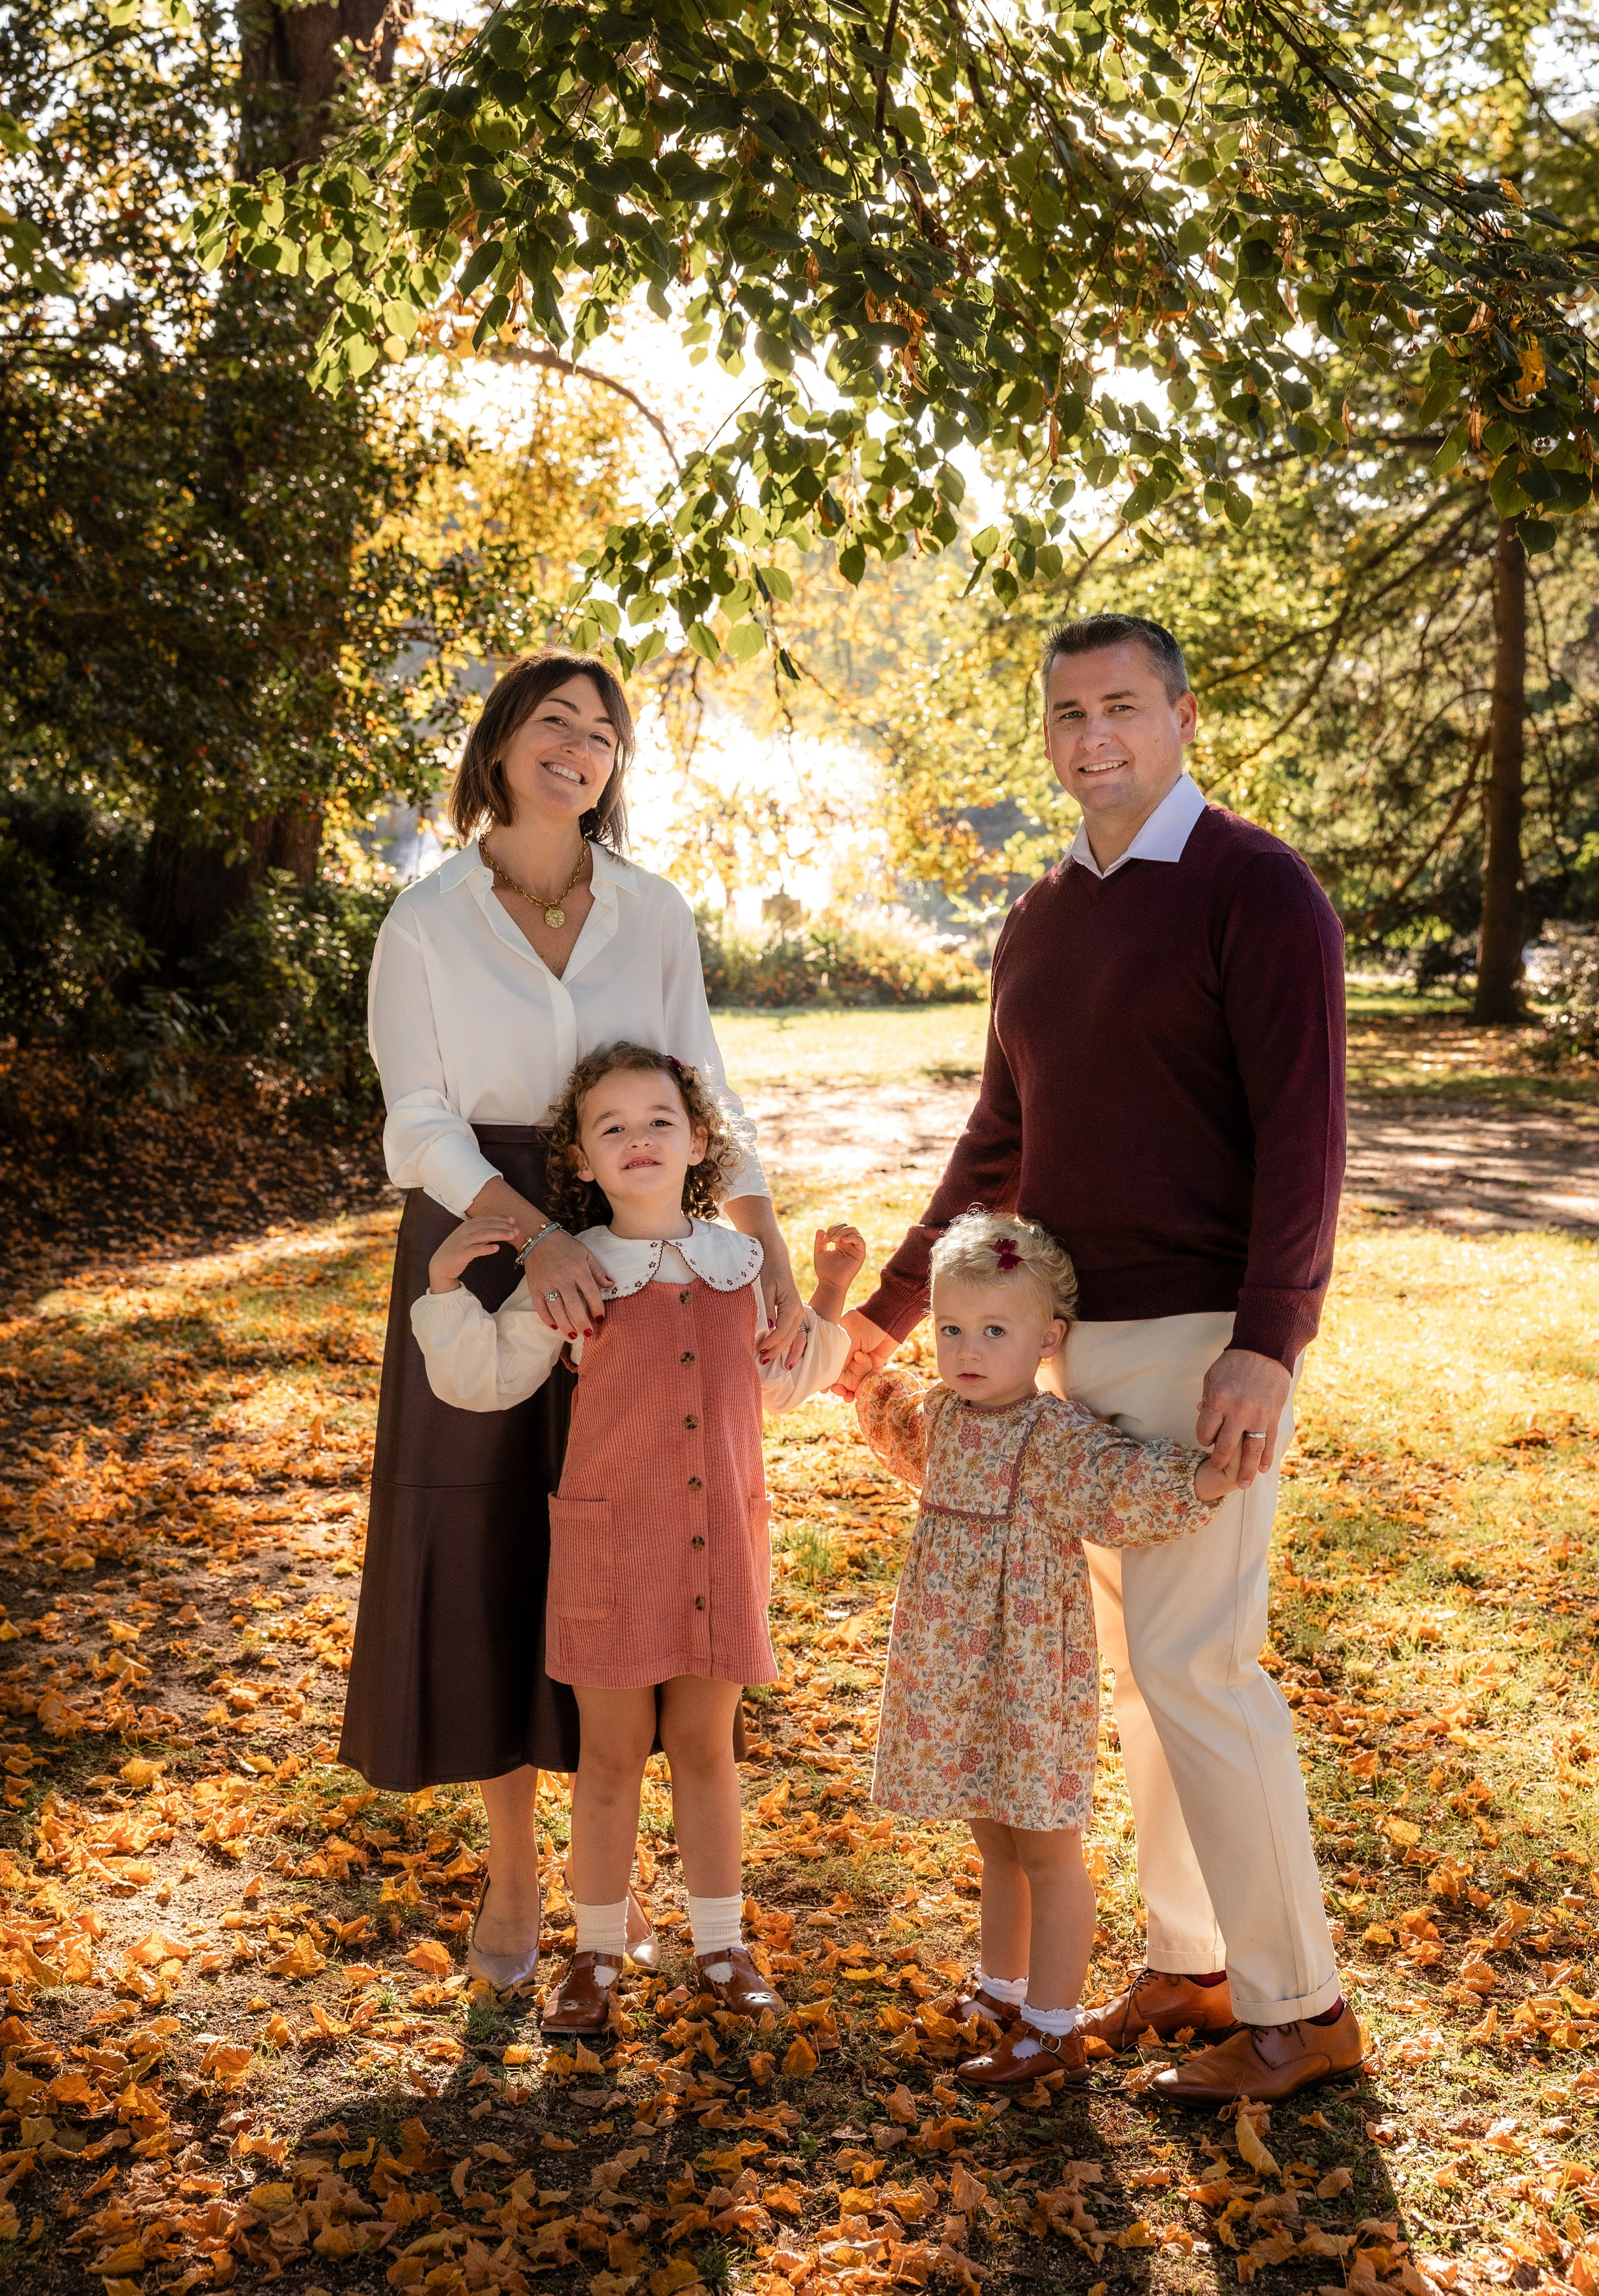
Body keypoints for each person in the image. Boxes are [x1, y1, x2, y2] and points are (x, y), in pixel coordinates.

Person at [839, 611, 1360, 2104]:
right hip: (1074, 1351)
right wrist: (886, 1312)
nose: (1091, 739)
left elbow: (1303, 1141)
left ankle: (1298, 2006)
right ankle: (1192, 1965)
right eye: (1066, 714)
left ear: (1182, 716)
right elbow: (997, 1140)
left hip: (1204, 1347)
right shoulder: (1044, 911)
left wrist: (1268, 1343)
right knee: (1140, 1682)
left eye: (1120, 707)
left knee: (1197, 1668)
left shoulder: (1255, 892)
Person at [346, 651, 802, 1991]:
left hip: (644, 1221)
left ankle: (642, 1902)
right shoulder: (425, 922)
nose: (580, 748)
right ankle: (514, 1881)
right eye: (556, 723)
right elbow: (414, 1117)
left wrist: (764, 1229)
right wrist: (536, 1233)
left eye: (602, 734)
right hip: (488, 1232)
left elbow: (701, 1076)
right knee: (488, 1532)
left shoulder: (650, 912)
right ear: (497, 746)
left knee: (640, 1526)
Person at [410, 1042, 855, 2032]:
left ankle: (722, 1943)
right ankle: (597, 1952)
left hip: (720, 1547)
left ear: (701, 1141)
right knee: (610, 1757)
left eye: (659, 1121)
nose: (638, 1140)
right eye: (610, 1127)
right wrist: (444, 1289)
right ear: (579, 1158)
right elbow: (487, 1380)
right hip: (614, 1551)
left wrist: (824, 1293)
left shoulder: (743, 1268)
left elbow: (782, 1386)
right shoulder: (575, 1273)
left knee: (705, 1747)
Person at [853, 1210, 1242, 2093]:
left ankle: (1053, 2027)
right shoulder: (943, 1418)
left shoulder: (1055, 1436)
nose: (967, 1349)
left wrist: (1204, 1477)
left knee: (1045, 1845)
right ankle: (1003, 1991)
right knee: (994, 1836)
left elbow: (1126, 1487)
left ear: (1048, 1338)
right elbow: (884, 1409)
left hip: (1030, 1673)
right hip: (954, 1665)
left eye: (995, 1331)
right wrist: (848, 1329)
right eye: (952, 1328)